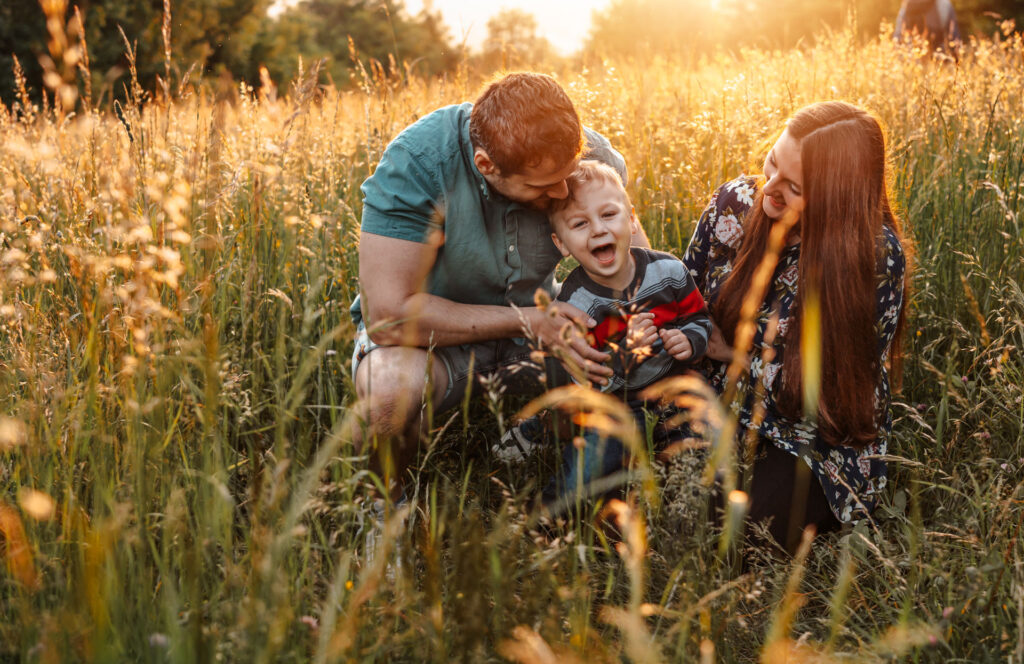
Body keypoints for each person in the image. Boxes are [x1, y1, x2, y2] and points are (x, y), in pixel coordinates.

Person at [350, 72, 650, 503]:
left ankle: (553, 441)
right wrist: (529, 322)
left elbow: (639, 278)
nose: (564, 190)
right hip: (435, 341)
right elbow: (389, 318)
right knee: (388, 393)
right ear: (486, 165)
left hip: (545, 326)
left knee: (630, 344)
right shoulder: (418, 162)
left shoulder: (590, 156)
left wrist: (635, 323)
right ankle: (384, 511)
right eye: (543, 186)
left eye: (568, 175)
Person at [682, 101, 912, 554]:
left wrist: (732, 352)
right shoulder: (734, 203)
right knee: (658, 495)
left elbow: (828, 394)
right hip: (711, 397)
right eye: (771, 163)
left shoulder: (873, 257)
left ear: (837, 197)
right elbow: (684, 294)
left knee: (734, 535)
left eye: (794, 187)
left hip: (804, 433)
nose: (768, 190)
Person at [496, 160, 711, 507]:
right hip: (615, 405)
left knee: (710, 441)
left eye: (609, 215)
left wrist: (688, 339)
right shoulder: (578, 304)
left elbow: (698, 317)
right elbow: (588, 379)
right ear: (561, 243)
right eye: (580, 224)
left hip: (674, 388)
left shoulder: (669, 272)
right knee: (585, 477)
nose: (597, 230)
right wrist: (627, 352)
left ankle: (681, 492)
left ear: (631, 219)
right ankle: (546, 519)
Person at [895, 0, 962, 56]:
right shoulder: (944, 4)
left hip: (912, 58)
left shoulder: (907, 4)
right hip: (938, 58)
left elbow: (898, 35)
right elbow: (954, 36)